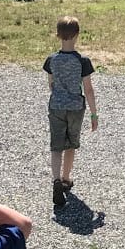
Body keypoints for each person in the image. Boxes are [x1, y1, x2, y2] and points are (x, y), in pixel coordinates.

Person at [42, 15, 98, 210]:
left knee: (56, 145)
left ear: (58, 35)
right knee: (70, 144)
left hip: (56, 105)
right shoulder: (82, 61)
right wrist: (94, 113)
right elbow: (88, 89)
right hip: (75, 107)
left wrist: (57, 95)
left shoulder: (51, 60)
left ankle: (56, 179)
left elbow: (51, 83)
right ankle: (66, 179)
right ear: (77, 35)